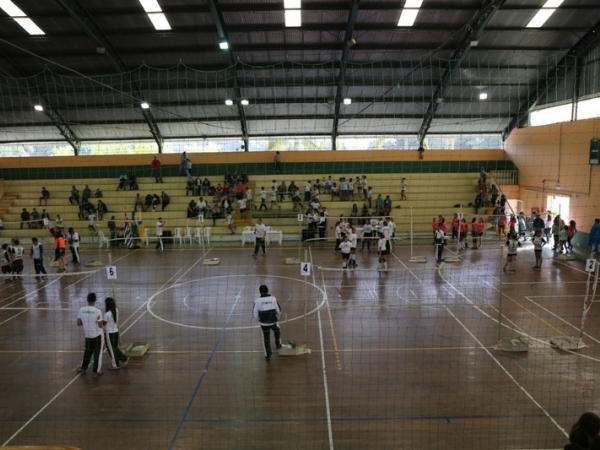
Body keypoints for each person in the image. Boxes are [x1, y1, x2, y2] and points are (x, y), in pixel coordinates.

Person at [76, 293, 104, 377]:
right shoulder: (97, 311)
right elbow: (100, 325)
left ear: (87, 300)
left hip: (88, 335)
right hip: (97, 335)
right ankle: (96, 371)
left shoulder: (81, 310)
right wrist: (100, 320)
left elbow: (78, 323)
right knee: (97, 354)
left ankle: (83, 368)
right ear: (95, 300)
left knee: (87, 352)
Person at [252, 285, 282, 361]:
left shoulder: (257, 301)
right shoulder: (273, 298)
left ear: (260, 291)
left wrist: (258, 320)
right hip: (273, 321)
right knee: (277, 330)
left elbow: (255, 313)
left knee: (266, 338)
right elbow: (278, 310)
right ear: (267, 290)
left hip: (264, 323)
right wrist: (277, 318)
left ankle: (268, 354)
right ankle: (278, 344)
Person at [103, 297, 129, 370]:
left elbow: (104, 323)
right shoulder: (116, 310)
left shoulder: (107, 314)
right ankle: (122, 359)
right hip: (115, 332)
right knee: (114, 348)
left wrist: (97, 320)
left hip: (109, 333)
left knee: (111, 349)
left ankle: (116, 364)